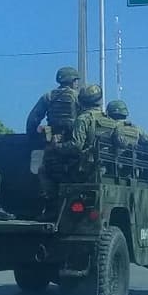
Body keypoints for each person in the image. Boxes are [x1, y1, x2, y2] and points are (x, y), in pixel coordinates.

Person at [38, 83, 103, 215]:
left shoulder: (84, 119)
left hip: (83, 169)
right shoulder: (107, 119)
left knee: (45, 170)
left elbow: (76, 146)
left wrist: (57, 147)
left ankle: (51, 209)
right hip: (101, 167)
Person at [26, 66, 81, 141]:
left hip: (52, 138)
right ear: (72, 81)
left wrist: (32, 136)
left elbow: (33, 119)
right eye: (76, 80)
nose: (77, 83)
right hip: (73, 138)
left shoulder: (48, 96)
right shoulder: (78, 96)